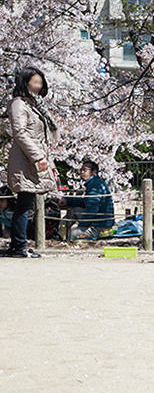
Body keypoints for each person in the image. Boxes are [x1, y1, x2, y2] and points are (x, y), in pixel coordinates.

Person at [4, 66, 60, 258]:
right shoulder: (18, 104)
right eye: (35, 82)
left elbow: (41, 139)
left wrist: (50, 165)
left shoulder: (34, 105)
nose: (39, 86)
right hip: (25, 160)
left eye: (40, 82)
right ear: (24, 82)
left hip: (34, 159)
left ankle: (18, 245)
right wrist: (38, 157)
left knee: (25, 203)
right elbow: (20, 133)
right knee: (24, 202)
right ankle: (19, 246)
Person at [59, 161, 115, 240]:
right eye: (81, 170)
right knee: (75, 210)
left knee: (69, 234)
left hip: (100, 227)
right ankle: (61, 229)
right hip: (100, 222)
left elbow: (92, 210)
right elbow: (85, 201)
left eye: (84, 170)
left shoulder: (95, 185)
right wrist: (67, 200)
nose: (82, 172)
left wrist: (81, 226)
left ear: (94, 172)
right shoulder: (95, 182)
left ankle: (61, 233)